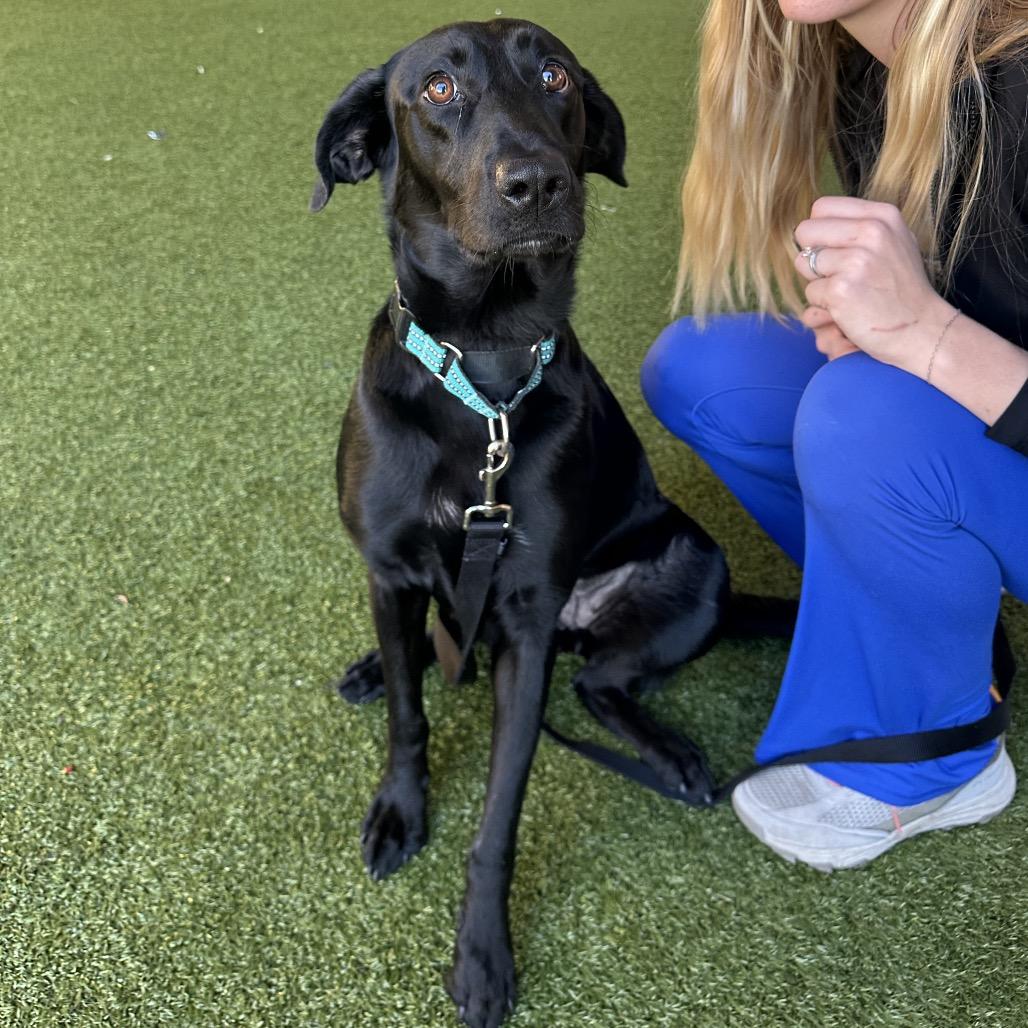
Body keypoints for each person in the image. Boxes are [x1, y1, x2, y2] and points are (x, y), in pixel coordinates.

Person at [641, 0, 1028, 870]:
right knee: (704, 375)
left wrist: (926, 336)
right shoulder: (859, 61)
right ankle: (932, 632)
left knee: (861, 414)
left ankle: (943, 757)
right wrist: (885, 325)